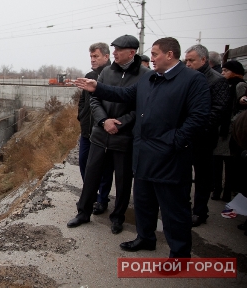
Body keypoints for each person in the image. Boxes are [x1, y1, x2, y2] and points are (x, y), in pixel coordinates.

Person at [75, 37, 210, 258]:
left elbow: (199, 118)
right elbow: (125, 95)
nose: (151, 58)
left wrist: (174, 142)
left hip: (170, 156)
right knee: (143, 201)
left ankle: (179, 254)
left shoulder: (192, 80)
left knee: (173, 208)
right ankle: (145, 238)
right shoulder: (151, 79)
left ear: (169, 54)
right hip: (143, 153)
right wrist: (97, 87)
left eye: (155, 54)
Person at [68, 35, 150, 234]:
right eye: (113, 49)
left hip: (123, 137)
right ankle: (83, 212)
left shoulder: (144, 75)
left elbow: (141, 107)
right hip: (100, 134)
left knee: (122, 181)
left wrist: (119, 124)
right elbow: (94, 100)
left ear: (131, 52)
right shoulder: (106, 72)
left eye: (118, 50)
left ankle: (118, 217)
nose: (114, 53)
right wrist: (104, 121)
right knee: (91, 176)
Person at [184, 45, 229, 227]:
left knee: (203, 177)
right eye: (186, 60)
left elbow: (218, 110)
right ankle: (184, 208)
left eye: (191, 60)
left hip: (204, 137)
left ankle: (200, 211)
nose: (187, 64)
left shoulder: (217, 81)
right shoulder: (187, 78)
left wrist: (197, 128)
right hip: (186, 136)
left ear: (204, 60)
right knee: (184, 175)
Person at [77, 42, 113, 214]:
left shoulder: (113, 76)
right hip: (86, 129)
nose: (92, 59)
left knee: (104, 167)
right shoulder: (89, 75)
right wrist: (81, 117)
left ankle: (102, 199)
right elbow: (83, 100)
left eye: (96, 56)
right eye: (91, 56)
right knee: (84, 162)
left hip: (103, 131)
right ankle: (91, 193)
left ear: (106, 57)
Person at [212, 60, 247, 201]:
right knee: (217, 161)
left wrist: (233, 123)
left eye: (226, 71)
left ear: (235, 72)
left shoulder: (240, 85)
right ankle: (217, 189)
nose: (222, 73)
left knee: (230, 162)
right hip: (221, 128)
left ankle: (227, 191)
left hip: (231, 130)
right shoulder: (224, 84)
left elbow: (241, 108)